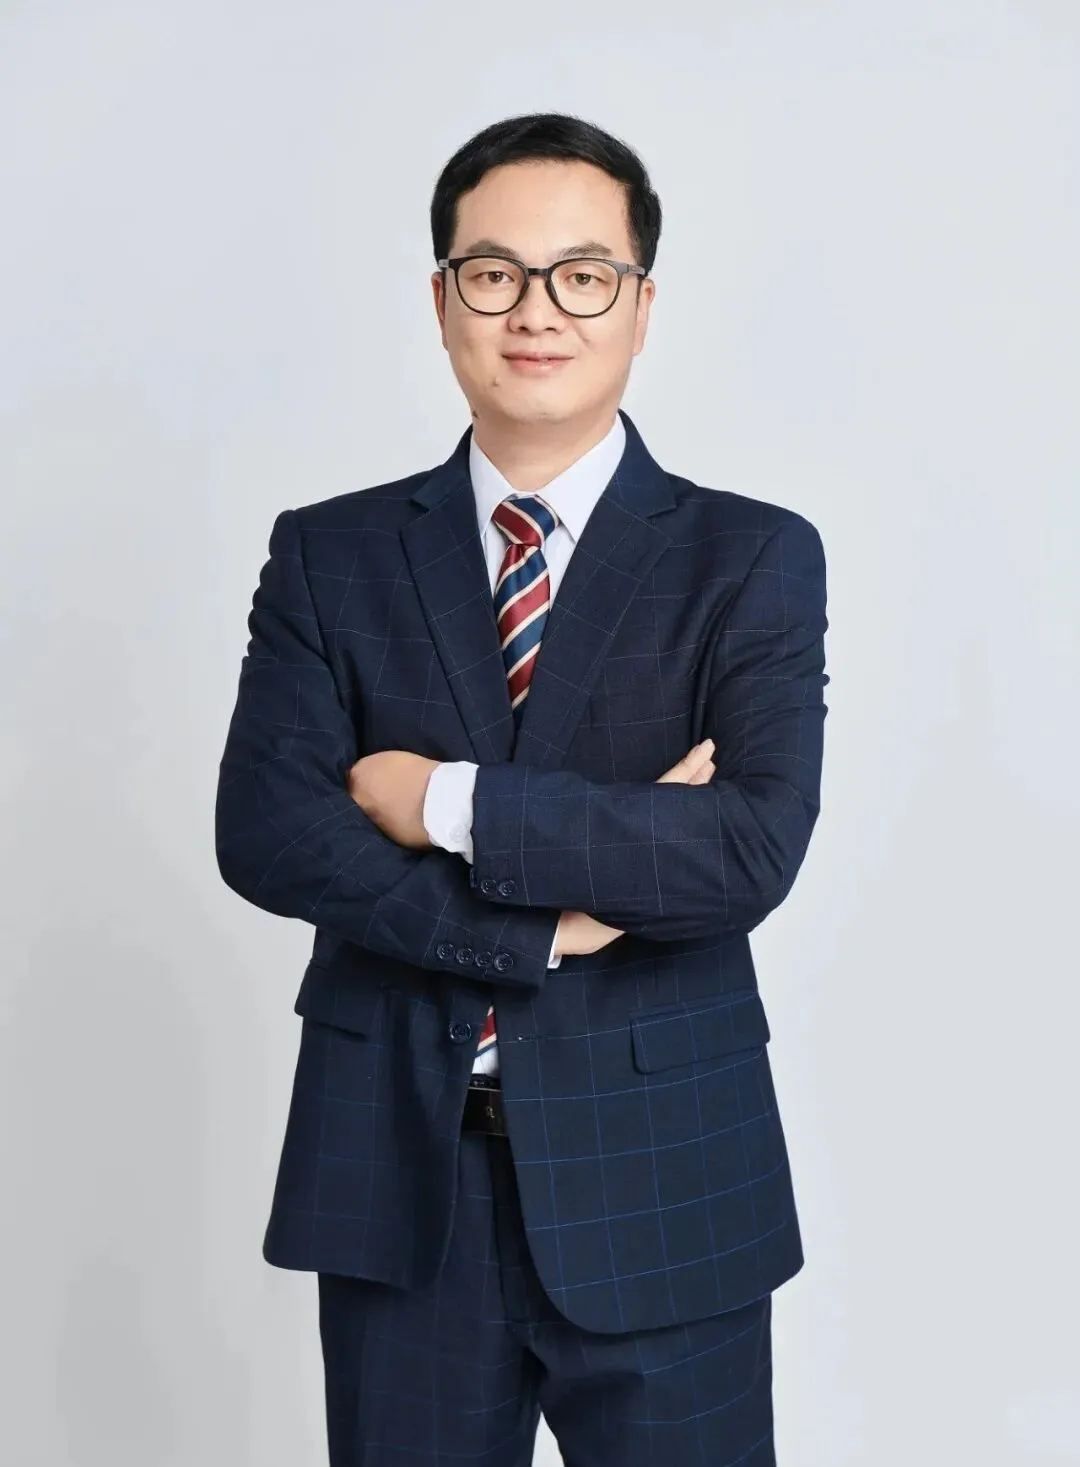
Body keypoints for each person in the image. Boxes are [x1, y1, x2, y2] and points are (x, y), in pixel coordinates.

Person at [215, 111, 829, 1467]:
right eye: (494, 273)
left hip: (667, 1178)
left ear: (641, 306)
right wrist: (547, 924)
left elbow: (745, 849)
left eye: (582, 275)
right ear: (443, 300)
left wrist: (448, 803)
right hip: (402, 1178)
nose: (537, 310)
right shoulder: (331, 554)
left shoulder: (750, 558)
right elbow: (268, 831)